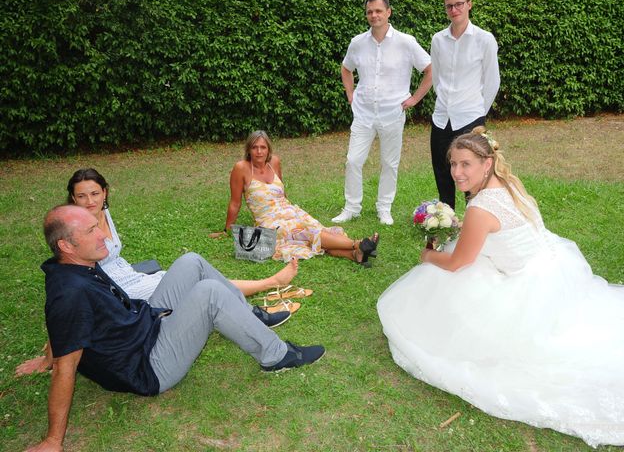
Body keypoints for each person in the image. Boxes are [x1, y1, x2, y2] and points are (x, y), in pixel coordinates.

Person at [377, 127, 624, 447]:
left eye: (465, 164)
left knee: (443, 274)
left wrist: (428, 256)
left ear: (486, 164)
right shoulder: (508, 182)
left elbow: (460, 262)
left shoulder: (480, 207)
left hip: (528, 286)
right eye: (453, 164)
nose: (456, 172)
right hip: (552, 266)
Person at [25, 205, 325, 451]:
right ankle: (276, 356)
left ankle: (248, 317)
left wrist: (46, 357)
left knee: (191, 262)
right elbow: (67, 366)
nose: (103, 234)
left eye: (97, 225)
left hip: (147, 324)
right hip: (148, 366)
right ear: (66, 245)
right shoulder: (70, 293)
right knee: (210, 293)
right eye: (91, 230)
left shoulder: (71, 265)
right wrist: (53, 440)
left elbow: (56, 321)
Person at [15, 168, 301, 377]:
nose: (90, 201)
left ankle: (249, 313)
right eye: (81, 196)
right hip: (130, 299)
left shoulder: (102, 215)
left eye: (95, 193)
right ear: (72, 200)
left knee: (193, 263)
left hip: (135, 287)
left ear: (105, 193)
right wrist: (50, 356)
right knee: (204, 289)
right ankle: (270, 292)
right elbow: (63, 309)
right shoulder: (75, 246)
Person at [332, 0, 432, 226]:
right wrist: (350, 93)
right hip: (364, 113)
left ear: (388, 12)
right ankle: (351, 207)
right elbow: (346, 69)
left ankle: (384, 208)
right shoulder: (358, 42)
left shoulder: (406, 42)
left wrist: (415, 99)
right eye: (369, 12)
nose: (374, 15)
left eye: (378, 11)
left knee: (389, 163)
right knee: (353, 160)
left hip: (392, 113)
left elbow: (430, 70)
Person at [212, 130, 379, 266]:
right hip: (269, 221)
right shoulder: (241, 168)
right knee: (305, 233)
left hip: (288, 209)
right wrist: (228, 230)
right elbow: (235, 203)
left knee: (315, 230)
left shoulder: (275, 162)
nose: (259, 151)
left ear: (269, 149)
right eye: (255, 147)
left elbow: (281, 193)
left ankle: (355, 255)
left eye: (263, 147)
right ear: (248, 149)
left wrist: (292, 212)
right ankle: (358, 244)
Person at [430, 0, 500, 210]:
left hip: (470, 117)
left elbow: (492, 81)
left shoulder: (484, 39)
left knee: (473, 174)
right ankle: (445, 221)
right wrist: (445, 102)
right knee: (443, 172)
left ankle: (475, 217)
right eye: (449, 6)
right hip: (441, 118)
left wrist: (478, 113)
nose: (454, 9)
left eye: (459, 4)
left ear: (469, 4)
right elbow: (437, 79)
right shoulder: (438, 40)